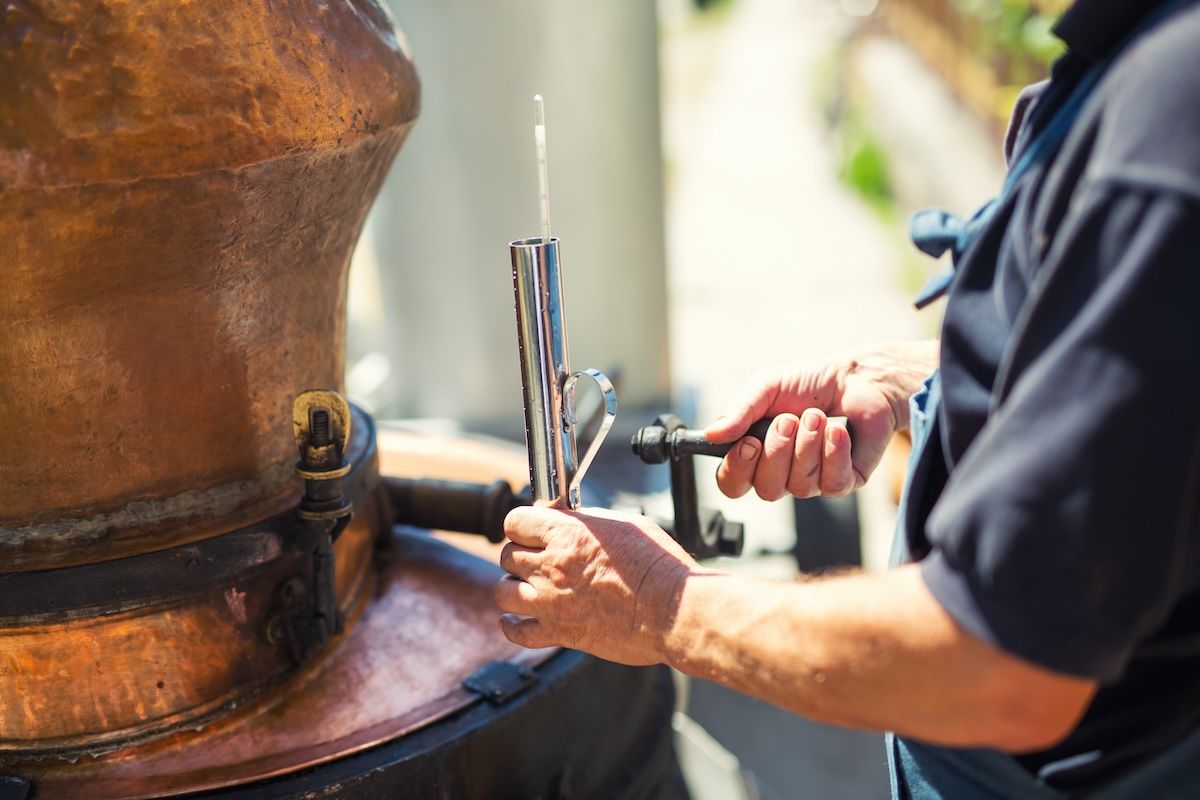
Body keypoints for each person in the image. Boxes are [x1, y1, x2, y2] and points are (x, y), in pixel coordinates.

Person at [496, 1, 1200, 797]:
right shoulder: (1129, 57)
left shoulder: (1166, 119)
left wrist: (661, 606)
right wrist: (913, 379)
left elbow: (999, 665)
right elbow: (1148, 378)